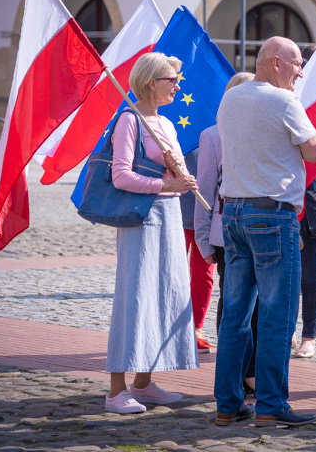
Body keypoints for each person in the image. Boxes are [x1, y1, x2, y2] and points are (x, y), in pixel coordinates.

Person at [214, 36, 316, 428]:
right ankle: (272, 405)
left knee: (236, 315)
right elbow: (315, 150)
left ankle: (227, 404)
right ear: (276, 62)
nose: (300, 71)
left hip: (234, 214)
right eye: (296, 64)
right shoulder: (284, 101)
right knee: (279, 314)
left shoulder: (231, 98)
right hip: (272, 217)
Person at [105, 52, 200, 414]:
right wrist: (167, 183)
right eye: (171, 80)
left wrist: (179, 181)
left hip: (170, 215)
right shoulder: (130, 120)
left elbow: (174, 175)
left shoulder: (166, 124)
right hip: (142, 219)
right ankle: (116, 390)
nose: (177, 86)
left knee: (164, 294)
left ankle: (143, 382)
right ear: (151, 83)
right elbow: (120, 175)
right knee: (135, 297)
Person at [193, 71, 258, 392]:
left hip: (261, 230)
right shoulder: (213, 136)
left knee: (260, 307)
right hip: (224, 236)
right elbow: (203, 191)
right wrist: (203, 239)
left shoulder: (264, 131)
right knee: (234, 305)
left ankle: (252, 372)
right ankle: (235, 371)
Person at [293, 44, 316, 360]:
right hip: (285, 198)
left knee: (309, 274)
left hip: (313, 201)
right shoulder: (288, 100)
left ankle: (309, 336)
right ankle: (288, 330)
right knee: (282, 273)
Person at [180, 149, 213, 353]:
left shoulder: (217, 122)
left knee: (204, 274)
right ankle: (164, 328)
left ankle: (196, 329)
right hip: (176, 211)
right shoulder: (170, 124)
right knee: (169, 274)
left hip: (208, 212)